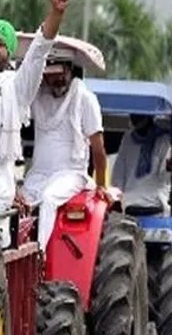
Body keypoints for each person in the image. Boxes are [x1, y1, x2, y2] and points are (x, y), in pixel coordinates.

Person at [0, 0, 68, 230]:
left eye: (2, 43)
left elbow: (38, 53)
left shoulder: (15, 89)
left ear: (10, 55)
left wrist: (56, 14)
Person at [16, 48, 108, 250]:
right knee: (17, 203)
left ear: (70, 71)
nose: (55, 79)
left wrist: (101, 185)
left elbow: (98, 149)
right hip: (39, 174)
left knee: (49, 199)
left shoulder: (85, 98)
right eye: (50, 75)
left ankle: (40, 255)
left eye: (59, 73)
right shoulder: (38, 97)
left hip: (71, 174)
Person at [111, 113, 172, 213]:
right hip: (129, 202)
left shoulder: (165, 139)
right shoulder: (128, 138)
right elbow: (118, 174)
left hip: (156, 202)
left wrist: (170, 169)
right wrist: (116, 198)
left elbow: (165, 178)